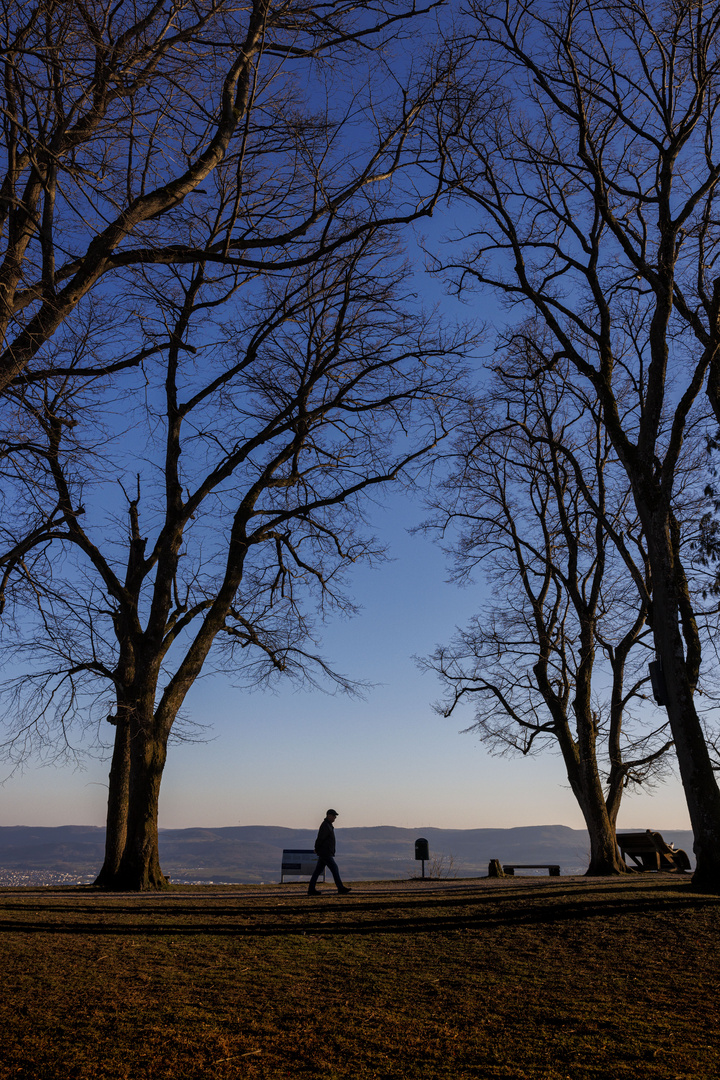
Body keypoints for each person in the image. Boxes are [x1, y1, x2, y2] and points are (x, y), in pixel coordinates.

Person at [307, 809, 351, 896]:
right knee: (334, 868)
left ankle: (311, 889)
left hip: (325, 852)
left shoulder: (328, 825)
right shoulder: (326, 826)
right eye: (334, 816)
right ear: (329, 815)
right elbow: (320, 838)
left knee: (317, 871)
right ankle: (340, 888)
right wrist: (316, 848)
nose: (335, 818)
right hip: (325, 852)